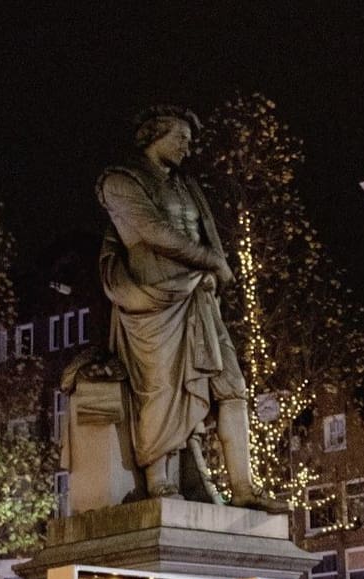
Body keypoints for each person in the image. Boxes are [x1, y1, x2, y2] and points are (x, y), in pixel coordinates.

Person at [97, 104, 275, 507]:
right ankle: (161, 481)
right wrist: (211, 260)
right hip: (155, 299)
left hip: (198, 296)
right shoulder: (120, 182)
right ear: (153, 135)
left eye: (190, 142)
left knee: (231, 385)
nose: (187, 148)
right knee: (161, 388)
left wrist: (210, 267)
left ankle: (244, 490)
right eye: (180, 138)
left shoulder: (187, 185)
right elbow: (154, 232)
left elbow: (202, 231)